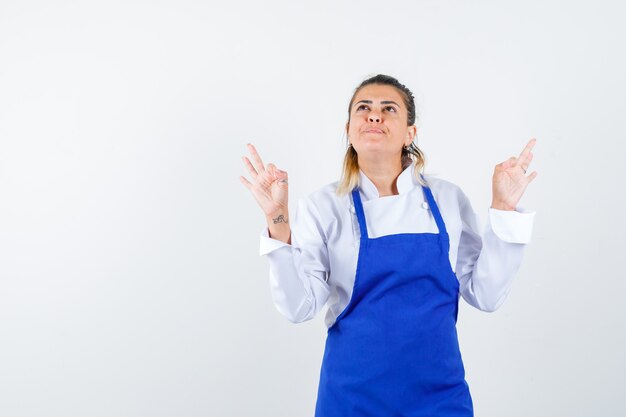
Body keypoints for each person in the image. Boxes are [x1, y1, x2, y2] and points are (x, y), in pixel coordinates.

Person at [240, 74, 537, 416]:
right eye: (363, 108)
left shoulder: (447, 200)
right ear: (349, 129)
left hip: (439, 397)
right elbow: (299, 308)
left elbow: (485, 295)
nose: (374, 115)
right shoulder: (324, 206)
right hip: (351, 398)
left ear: (410, 132)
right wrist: (278, 220)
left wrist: (504, 209)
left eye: (388, 108)